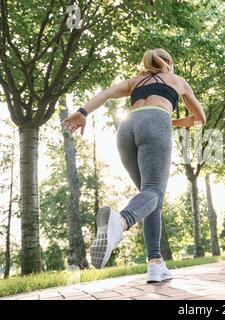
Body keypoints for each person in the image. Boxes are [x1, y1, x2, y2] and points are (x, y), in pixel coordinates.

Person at [62, 48, 207, 283]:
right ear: (169, 62)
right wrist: (173, 121)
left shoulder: (135, 81)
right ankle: (121, 222)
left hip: (127, 128)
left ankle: (155, 264)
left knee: (150, 198)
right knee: (154, 191)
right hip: (155, 123)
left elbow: (107, 93)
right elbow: (200, 118)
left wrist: (81, 112)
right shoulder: (177, 80)